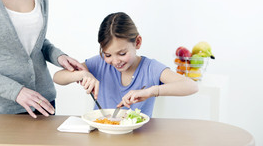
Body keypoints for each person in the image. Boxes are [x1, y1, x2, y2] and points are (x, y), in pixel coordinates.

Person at [53, 12, 199, 117]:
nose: (115, 61)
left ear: (137, 42)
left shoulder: (150, 68)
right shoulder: (99, 64)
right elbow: (57, 77)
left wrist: (151, 91)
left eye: (122, 54)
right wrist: (83, 74)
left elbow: (191, 86)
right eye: (108, 55)